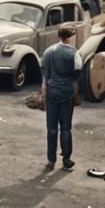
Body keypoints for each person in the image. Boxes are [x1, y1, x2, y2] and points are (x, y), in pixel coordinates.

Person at [40, 26, 82, 170]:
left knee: (51, 127)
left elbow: (44, 71)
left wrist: (44, 88)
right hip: (66, 92)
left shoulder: (48, 51)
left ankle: (51, 160)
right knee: (65, 127)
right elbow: (77, 73)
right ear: (71, 37)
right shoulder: (74, 53)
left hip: (51, 91)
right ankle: (66, 158)